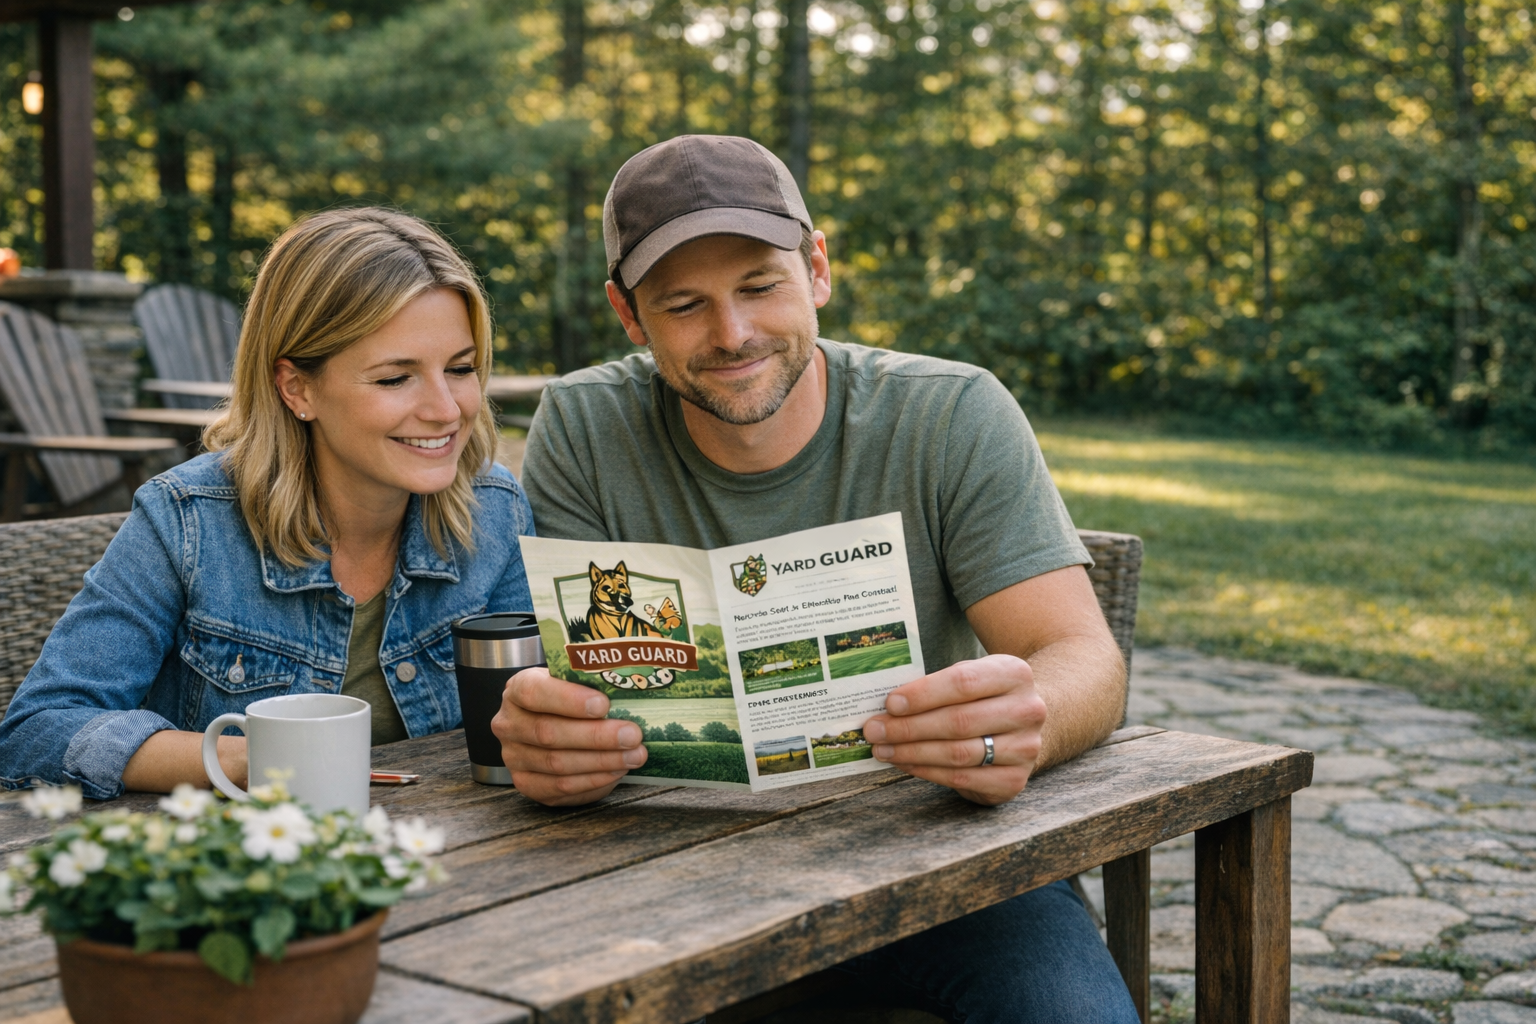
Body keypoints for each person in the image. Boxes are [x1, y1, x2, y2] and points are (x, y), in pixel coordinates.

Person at [497, 135, 1138, 1020]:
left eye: (760, 286)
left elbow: (1079, 655)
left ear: (818, 268)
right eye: (684, 304)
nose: (733, 334)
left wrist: (1016, 726)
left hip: (943, 851)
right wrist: (551, 735)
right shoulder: (582, 425)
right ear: (629, 315)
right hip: (672, 867)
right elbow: (571, 683)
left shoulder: (950, 411)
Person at [0, 207, 534, 799]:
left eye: (460, 369)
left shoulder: (494, 509)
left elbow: (531, 718)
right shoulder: (187, 522)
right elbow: (37, 731)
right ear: (297, 388)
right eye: (394, 379)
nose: (446, 408)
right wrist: (253, 759)